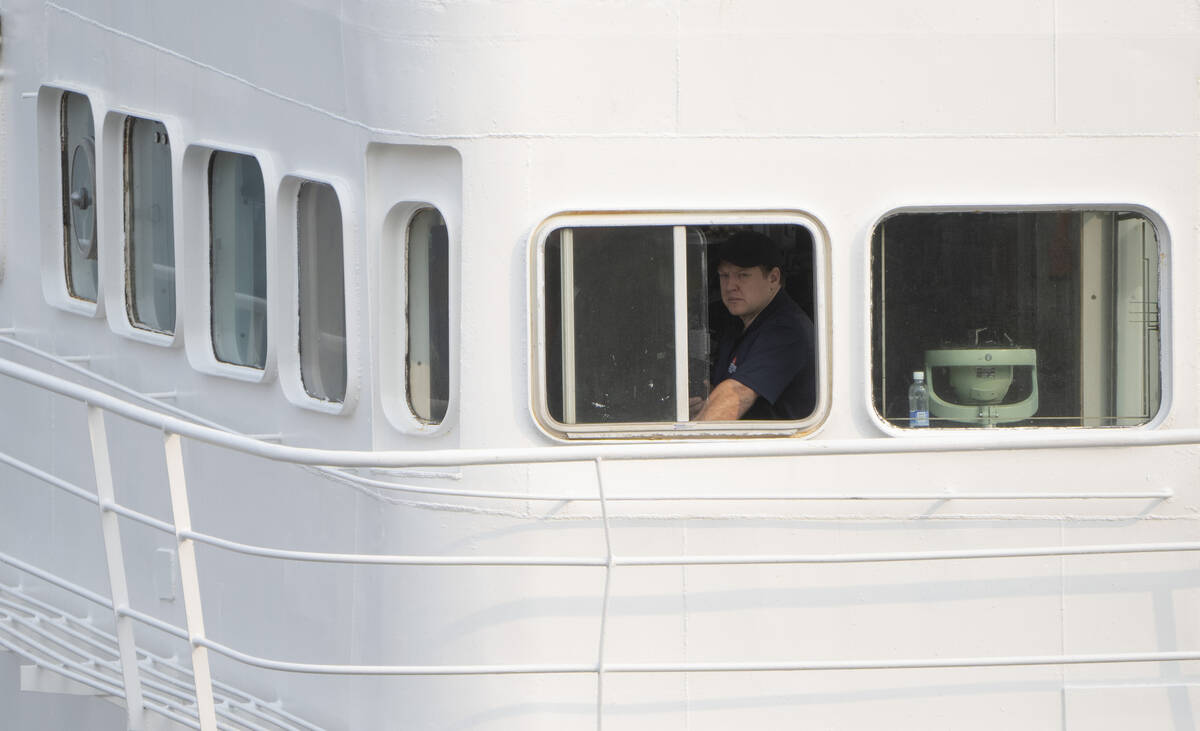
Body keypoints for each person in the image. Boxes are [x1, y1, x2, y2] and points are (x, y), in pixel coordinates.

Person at [691, 231, 816, 421]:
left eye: (743, 275)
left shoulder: (787, 331)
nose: (730, 285)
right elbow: (725, 389)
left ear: (773, 278)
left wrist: (690, 440)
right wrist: (706, 405)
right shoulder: (740, 321)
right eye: (724, 275)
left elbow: (737, 394)